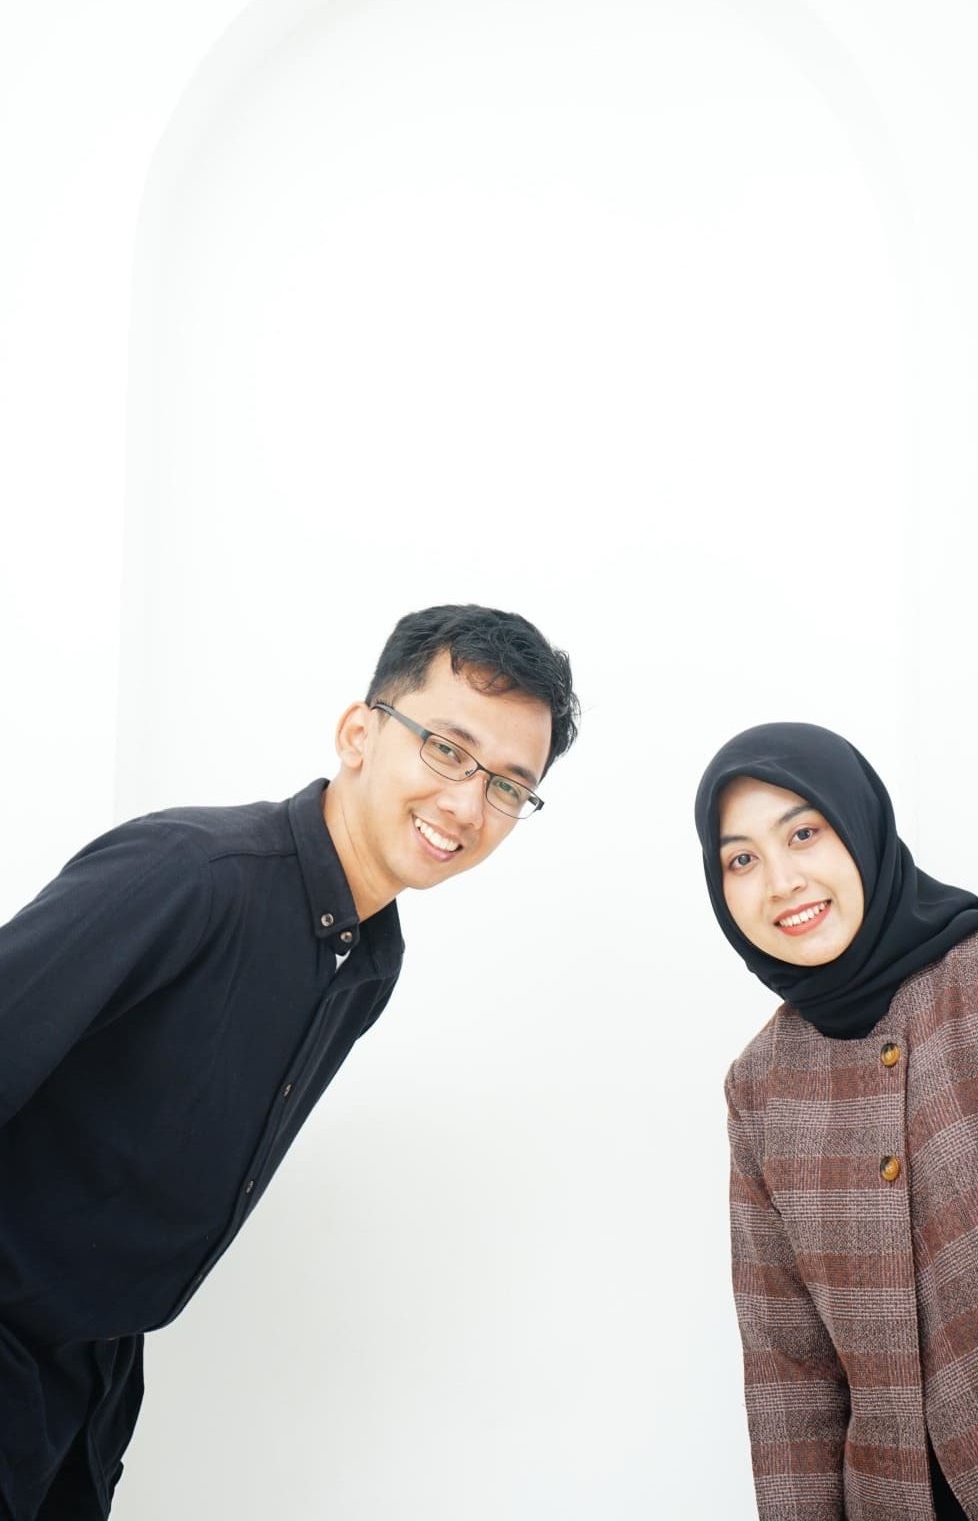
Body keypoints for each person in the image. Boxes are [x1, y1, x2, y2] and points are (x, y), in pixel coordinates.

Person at [0, 602, 578, 1521]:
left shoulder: (370, 960)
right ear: (359, 734)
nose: (468, 806)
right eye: (447, 750)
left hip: (89, 1390)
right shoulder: (191, 874)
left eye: (510, 785)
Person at [694, 721, 978, 1521]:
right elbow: (787, 1365)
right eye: (742, 860)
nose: (781, 881)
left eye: (804, 833)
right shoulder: (758, 1087)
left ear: (860, 823)